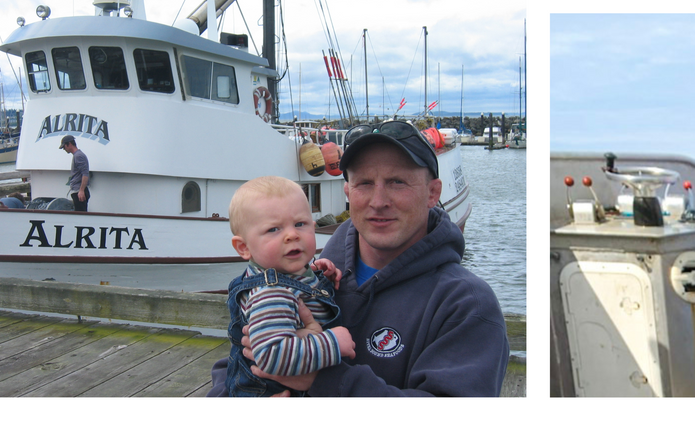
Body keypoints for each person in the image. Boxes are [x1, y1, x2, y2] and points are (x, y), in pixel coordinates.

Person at [210, 121, 508, 396]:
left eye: (397, 182)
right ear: (348, 191)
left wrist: (323, 380)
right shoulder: (309, 275)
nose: (378, 202)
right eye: (364, 183)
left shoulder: (466, 305)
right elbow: (235, 362)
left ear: (433, 193)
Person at [220, 176, 354, 396]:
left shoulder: (283, 276)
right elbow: (271, 355)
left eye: (300, 224)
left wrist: (315, 276)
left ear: (313, 226)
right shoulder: (270, 293)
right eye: (274, 229)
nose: (292, 235)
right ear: (244, 247)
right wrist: (333, 344)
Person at [60, 134, 91, 211]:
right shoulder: (77, 155)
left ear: (69, 144)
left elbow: (85, 174)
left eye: (64, 146)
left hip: (79, 192)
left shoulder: (78, 156)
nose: (64, 149)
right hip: (77, 191)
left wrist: (81, 190)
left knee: (80, 218)